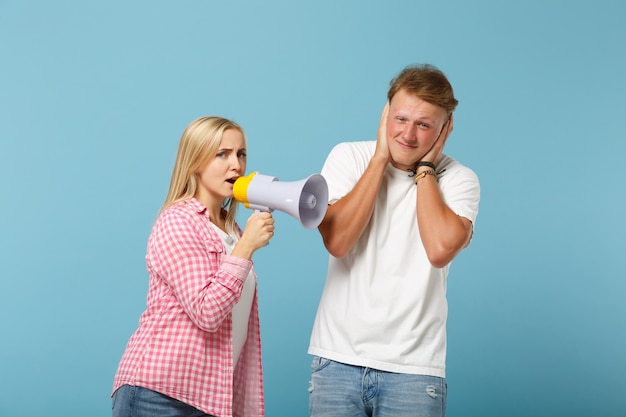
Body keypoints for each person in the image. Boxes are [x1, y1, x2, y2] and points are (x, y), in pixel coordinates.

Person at [308, 64, 480, 417]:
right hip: (337, 362)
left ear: (445, 129)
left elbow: (438, 250)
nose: (408, 135)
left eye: (424, 125)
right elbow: (338, 242)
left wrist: (426, 170)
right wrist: (379, 159)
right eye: (400, 119)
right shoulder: (349, 157)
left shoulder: (460, 179)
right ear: (385, 112)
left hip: (414, 371)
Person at [112, 116, 275, 417]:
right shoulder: (178, 221)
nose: (236, 166)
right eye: (221, 154)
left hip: (208, 399)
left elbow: (234, 324)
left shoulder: (232, 230)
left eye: (241, 154)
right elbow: (207, 312)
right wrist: (246, 248)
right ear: (195, 161)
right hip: (159, 395)